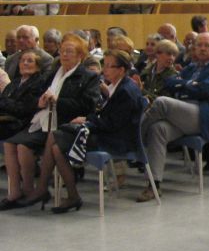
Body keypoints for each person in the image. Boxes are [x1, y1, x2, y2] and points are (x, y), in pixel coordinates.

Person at [7, 33, 102, 209]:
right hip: (44, 120)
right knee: (10, 143)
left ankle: (38, 190)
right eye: (62, 51)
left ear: (80, 55)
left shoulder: (88, 77)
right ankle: (21, 191)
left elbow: (87, 105)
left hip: (68, 124)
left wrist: (57, 100)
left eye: (69, 51)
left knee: (25, 145)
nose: (64, 55)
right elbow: (38, 94)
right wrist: (40, 101)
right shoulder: (52, 74)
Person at [45, 49, 146, 214]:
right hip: (107, 133)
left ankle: (44, 188)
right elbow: (104, 115)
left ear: (121, 70)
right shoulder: (115, 86)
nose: (103, 70)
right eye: (103, 65)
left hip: (116, 141)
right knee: (56, 146)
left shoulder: (126, 92)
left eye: (108, 66)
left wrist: (88, 121)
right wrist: (88, 119)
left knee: (55, 137)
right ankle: (71, 194)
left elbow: (112, 124)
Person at [139, 32, 209, 201]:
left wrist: (185, 84)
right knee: (157, 129)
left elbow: (206, 89)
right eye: (199, 45)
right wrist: (190, 84)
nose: (202, 48)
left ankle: (135, 138)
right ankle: (154, 185)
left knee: (162, 102)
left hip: (203, 116)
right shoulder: (191, 67)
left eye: (207, 45)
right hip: (182, 114)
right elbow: (170, 82)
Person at [0, 50, 48, 209]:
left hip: (27, 123)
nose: (25, 63)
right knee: (8, 143)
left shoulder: (39, 82)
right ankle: (14, 191)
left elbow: (26, 108)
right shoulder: (15, 82)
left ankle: (28, 189)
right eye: (23, 61)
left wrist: (7, 105)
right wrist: (7, 105)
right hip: (10, 122)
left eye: (30, 61)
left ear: (38, 67)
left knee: (18, 144)